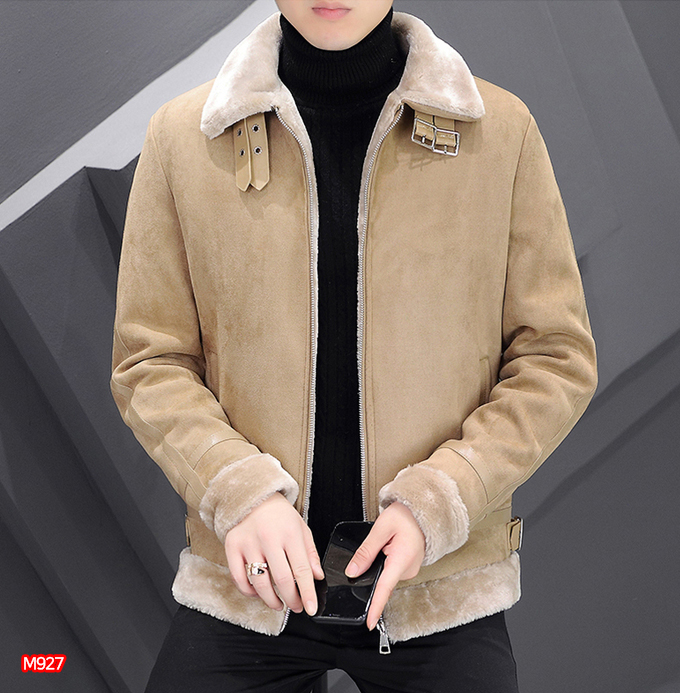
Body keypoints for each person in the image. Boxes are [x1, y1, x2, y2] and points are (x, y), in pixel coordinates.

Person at [111, 1, 598, 691]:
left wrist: (439, 501)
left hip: (436, 585)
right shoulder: (182, 138)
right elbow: (150, 362)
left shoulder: (501, 133)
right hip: (250, 584)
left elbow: (555, 358)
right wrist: (240, 492)